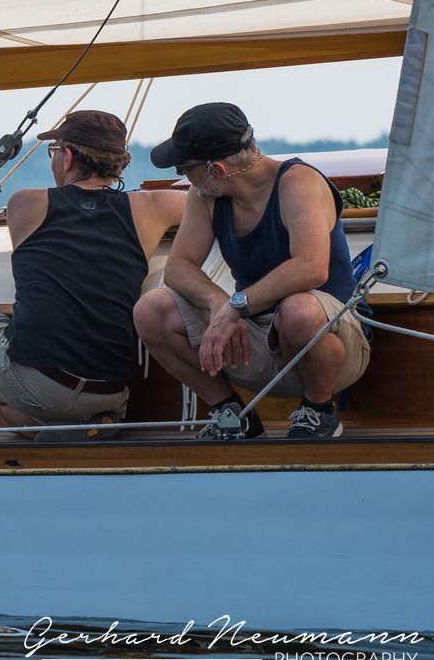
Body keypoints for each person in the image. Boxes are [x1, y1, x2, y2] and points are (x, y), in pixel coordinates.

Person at [0, 111, 185, 442]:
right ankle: (79, 429)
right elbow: (202, 197)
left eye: (55, 150)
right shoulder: (153, 207)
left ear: (68, 157)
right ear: (120, 164)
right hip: (109, 395)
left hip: (41, 386)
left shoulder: (26, 204)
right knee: (6, 405)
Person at [134, 102, 371, 440]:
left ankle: (319, 411)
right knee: (151, 310)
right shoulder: (205, 196)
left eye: (184, 168)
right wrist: (219, 304)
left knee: (298, 310)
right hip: (255, 335)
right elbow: (178, 267)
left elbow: (311, 267)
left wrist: (237, 306)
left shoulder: (298, 182)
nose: (184, 177)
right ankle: (233, 416)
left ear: (216, 169)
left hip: (330, 344)